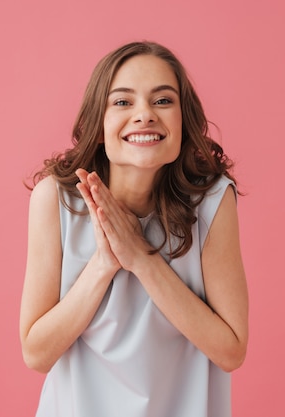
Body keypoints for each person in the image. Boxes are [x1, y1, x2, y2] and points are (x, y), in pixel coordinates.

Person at [19, 41, 249, 417]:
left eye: (162, 101)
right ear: (98, 126)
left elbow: (231, 350)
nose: (144, 115)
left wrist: (141, 258)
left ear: (182, 122)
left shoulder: (212, 201)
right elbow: (36, 353)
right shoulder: (55, 201)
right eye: (123, 102)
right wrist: (104, 263)